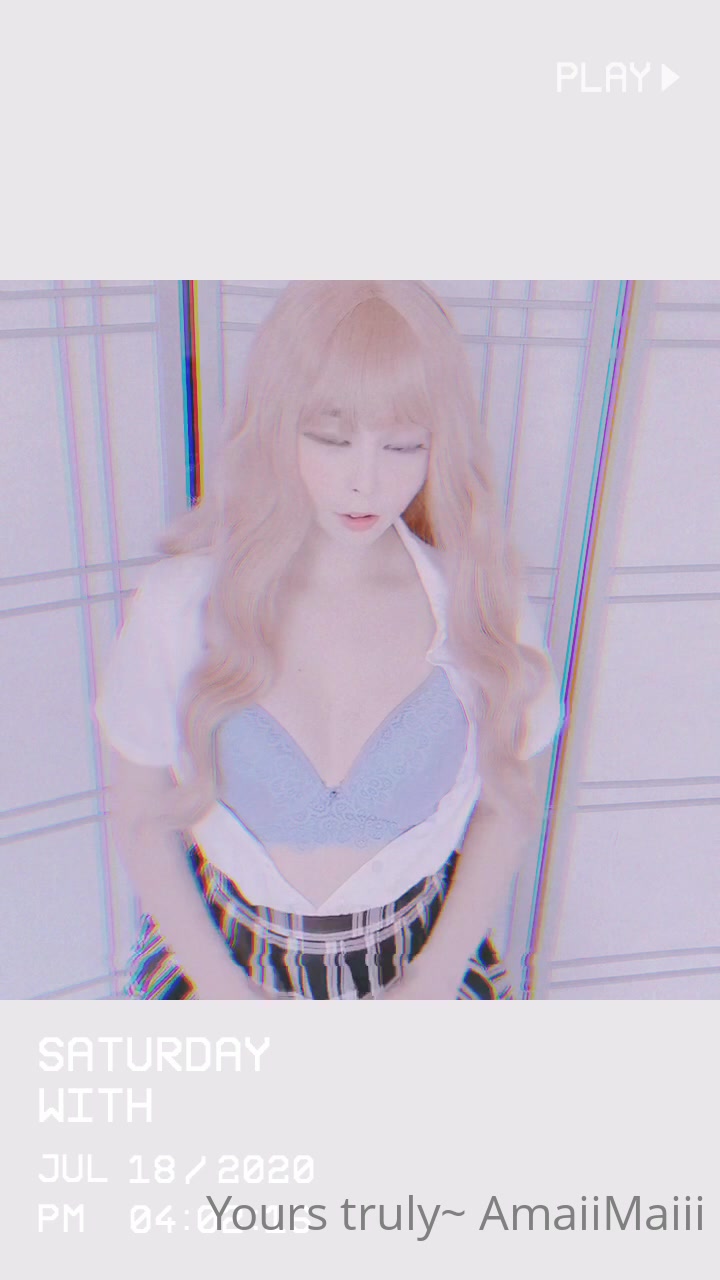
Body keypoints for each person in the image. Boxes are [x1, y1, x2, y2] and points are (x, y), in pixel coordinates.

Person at [95, 280, 565, 1001]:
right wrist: (225, 994)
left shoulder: (481, 605)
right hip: (220, 972)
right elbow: (139, 817)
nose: (365, 482)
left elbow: (511, 801)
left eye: (404, 444)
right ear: (274, 424)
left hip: (420, 973)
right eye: (331, 438)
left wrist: (433, 980)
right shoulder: (180, 605)